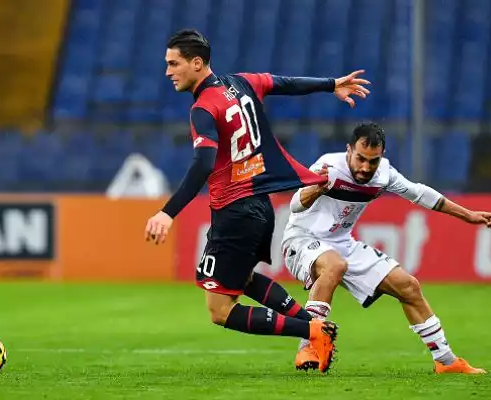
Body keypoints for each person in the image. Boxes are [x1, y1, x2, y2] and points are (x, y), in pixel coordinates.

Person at [144, 29, 371, 372]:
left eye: (173, 63)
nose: (167, 71)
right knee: (243, 279)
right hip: (259, 207)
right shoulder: (243, 82)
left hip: (234, 211)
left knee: (220, 310)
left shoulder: (204, 109)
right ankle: (311, 326)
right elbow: (286, 83)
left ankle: (314, 329)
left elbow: (204, 163)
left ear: (196, 62)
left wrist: (167, 212)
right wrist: (330, 84)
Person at [282, 122, 491, 373]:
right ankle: (308, 344)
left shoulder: (383, 174)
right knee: (335, 265)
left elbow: (420, 194)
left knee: (408, 286)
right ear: (349, 150)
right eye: (360, 158)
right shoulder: (328, 166)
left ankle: (446, 361)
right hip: (301, 239)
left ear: (380, 156)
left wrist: (468, 215)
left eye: (372, 161)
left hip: (342, 243)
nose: (365, 167)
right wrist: (318, 188)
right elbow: (295, 205)